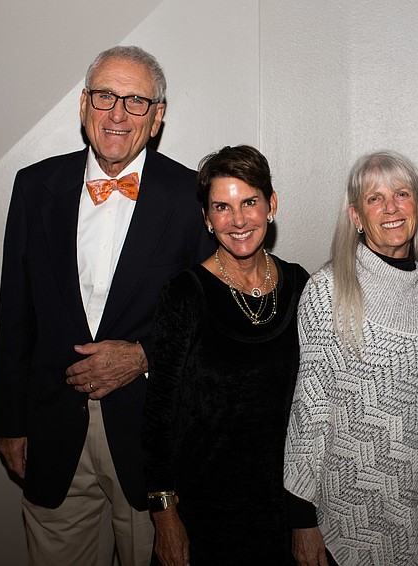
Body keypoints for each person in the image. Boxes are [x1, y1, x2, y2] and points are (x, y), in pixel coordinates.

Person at [0, 46, 213, 566]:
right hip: (52, 427)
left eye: (136, 101)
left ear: (157, 117)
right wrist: (9, 421)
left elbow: (212, 314)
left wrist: (142, 355)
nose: (117, 114)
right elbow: (14, 312)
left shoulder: (191, 195)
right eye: (105, 96)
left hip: (151, 434)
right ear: (83, 104)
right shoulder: (34, 186)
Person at [284, 151, 418, 566]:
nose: (392, 208)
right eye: (374, 198)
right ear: (357, 216)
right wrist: (302, 520)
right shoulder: (329, 291)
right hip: (344, 511)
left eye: (402, 194)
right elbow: (309, 412)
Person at [142, 145, 310, 565]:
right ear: (206, 218)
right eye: (222, 206)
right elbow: (160, 412)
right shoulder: (185, 293)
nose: (237, 220)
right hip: (205, 511)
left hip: (282, 503)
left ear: (271, 205)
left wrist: (307, 514)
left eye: (249, 202)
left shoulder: (300, 283)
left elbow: (316, 406)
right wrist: (165, 516)